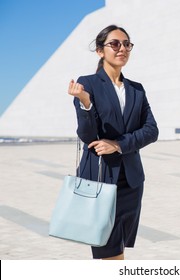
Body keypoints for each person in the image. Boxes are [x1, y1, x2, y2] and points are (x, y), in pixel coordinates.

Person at [67, 25, 159, 260]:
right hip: (98, 179)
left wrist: (118, 144)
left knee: (117, 250)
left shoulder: (137, 89)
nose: (122, 49)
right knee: (106, 249)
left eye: (127, 44)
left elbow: (151, 130)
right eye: (115, 44)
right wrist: (85, 103)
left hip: (131, 181)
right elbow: (87, 136)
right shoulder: (87, 84)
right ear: (100, 51)